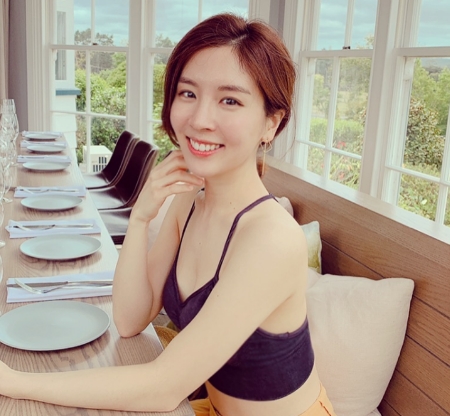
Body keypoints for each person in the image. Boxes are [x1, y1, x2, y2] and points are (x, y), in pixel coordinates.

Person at [0, 13, 336, 416]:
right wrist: (141, 216)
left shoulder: (271, 239)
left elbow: (162, 388)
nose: (199, 120)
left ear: (271, 123)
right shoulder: (190, 199)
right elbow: (130, 319)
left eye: (230, 100)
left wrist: (16, 382)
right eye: (188, 93)